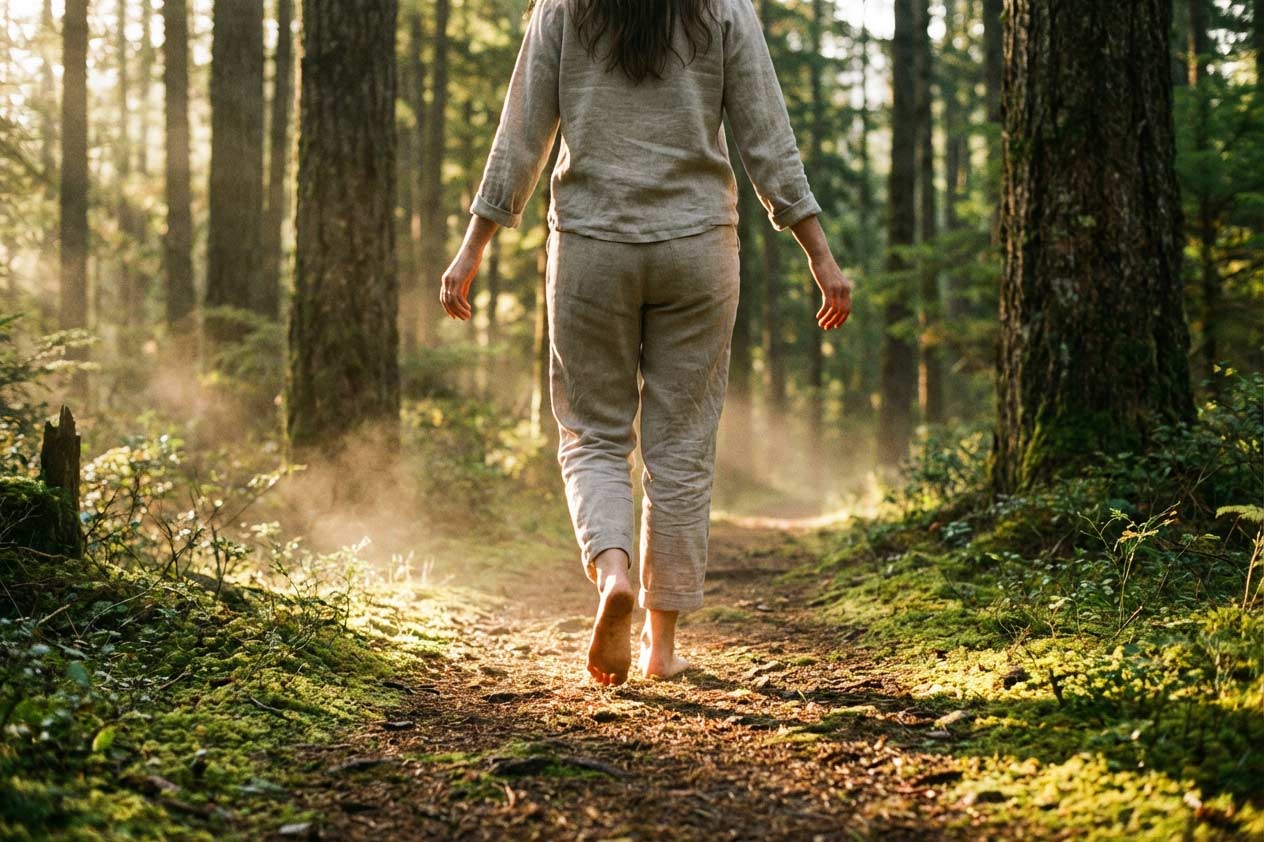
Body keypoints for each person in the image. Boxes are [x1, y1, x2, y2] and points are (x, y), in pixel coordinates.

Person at [439, 0, 854, 685]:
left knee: (593, 433)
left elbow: (521, 135)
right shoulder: (724, 9)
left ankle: (612, 577)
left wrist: (471, 248)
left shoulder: (565, 8)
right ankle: (661, 648)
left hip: (591, 248)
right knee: (681, 445)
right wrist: (820, 254)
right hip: (697, 249)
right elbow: (766, 136)